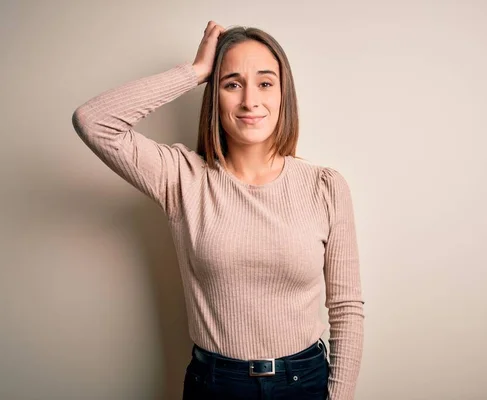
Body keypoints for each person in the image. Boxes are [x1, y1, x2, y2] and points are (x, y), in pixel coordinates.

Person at [72, 20, 364, 400]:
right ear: (215, 95)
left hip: (304, 382)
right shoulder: (181, 177)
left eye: (264, 83)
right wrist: (194, 71)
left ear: (283, 94)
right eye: (231, 84)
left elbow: (346, 309)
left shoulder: (325, 186)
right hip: (216, 385)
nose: (249, 101)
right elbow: (94, 121)